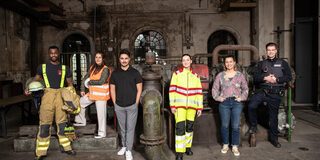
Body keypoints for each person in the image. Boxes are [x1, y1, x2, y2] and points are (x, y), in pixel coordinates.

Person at [24, 46, 75, 160]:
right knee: (45, 124)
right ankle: (41, 152)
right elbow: (35, 80)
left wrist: (73, 98)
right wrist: (28, 88)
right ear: (49, 54)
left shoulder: (64, 68)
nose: (53, 55)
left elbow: (70, 84)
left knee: (62, 123)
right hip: (47, 96)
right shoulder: (42, 67)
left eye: (55, 53)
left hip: (61, 96)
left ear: (58, 54)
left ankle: (67, 148)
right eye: (51, 53)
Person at [247, 42, 292, 148]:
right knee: (251, 106)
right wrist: (265, 78)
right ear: (266, 51)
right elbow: (255, 77)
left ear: (276, 51)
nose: (270, 52)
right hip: (262, 91)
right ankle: (253, 126)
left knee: (273, 118)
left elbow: (289, 77)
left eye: (273, 50)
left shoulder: (283, 63)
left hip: (275, 93)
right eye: (268, 50)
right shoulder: (262, 63)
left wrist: (277, 79)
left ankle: (274, 139)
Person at [212, 55, 248, 156]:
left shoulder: (240, 75)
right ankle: (225, 144)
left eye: (230, 62)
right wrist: (219, 98)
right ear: (225, 64)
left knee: (235, 126)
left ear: (234, 63)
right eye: (227, 62)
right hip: (224, 103)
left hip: (236, 103)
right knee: (225, 125)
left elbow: (245, 88)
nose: (229, 64)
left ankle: (235, 146)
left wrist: (241, 97)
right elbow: (214, 89)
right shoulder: (220, 75)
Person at [110, 49, 142, 160]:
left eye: (126, 58)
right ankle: (124, 146)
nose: (124, 60)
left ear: (129, 59)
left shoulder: (135, 73)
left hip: (132, 105)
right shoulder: (115, 73)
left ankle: (128, 150)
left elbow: (139, 89)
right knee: (122, 128)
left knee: (130, 129)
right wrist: (115, 104)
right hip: (119, 105)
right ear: (119, 60)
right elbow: (112, 90)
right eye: (122, 58)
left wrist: (136, 103)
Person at [169, 54, 203, 160]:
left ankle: (188, 148)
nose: (185, 62)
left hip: (192, 107)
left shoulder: (196, 76)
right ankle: (179, 152)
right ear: (182, 62)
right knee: (180, 128)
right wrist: (172, 106)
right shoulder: (176, 74)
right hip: (179, 107)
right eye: (184, 60)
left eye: (187, 60)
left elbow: (199, 93)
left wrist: (199, 107)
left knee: (189, 128)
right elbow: (172, 91)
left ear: (191, 61)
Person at [74, 51, 111, 139]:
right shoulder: (92, 68)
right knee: (81, 102)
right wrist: (82, 89)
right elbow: (84, 78)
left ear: (103, 59)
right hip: (92, 94)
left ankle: (102, 133)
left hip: (101, 96)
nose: (97, 59)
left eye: (99, 57)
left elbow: (102, 81)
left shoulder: (105, 69)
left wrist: (89, 82)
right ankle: (81, 121)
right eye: (96, 57)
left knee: (101, 115)